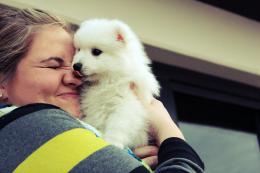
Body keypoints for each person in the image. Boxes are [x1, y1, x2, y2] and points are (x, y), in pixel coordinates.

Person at [0, 7, 204, 173]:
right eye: (53, 65)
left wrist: (126, 158)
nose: (76, 75)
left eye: (73, 64)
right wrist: (169, 134)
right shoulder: (35, 124)